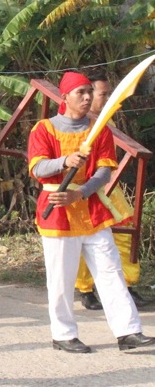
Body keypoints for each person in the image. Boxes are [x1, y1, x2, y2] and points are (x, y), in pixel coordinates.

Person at [27, 71, 153, 354]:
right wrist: (65, 161)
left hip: (91, 208)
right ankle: (63, 334)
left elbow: (104, 172)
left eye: (88, 92)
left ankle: (128, 331)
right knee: (61, 278)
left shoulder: (100, 129)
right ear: (65, 97)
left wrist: (80, 192)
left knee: (111, 272)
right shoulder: (44, 129)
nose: (86, 97)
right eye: (80, 92)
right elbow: (37, 168)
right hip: (57, 208)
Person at [74, 72, 148, 310]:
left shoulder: (108, 120)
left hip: (107, 185)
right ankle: (84, 289)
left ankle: (125, 285)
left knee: (126, 228)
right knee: (81, 234)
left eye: (108, 94)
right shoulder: (76, 122)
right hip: (84, 187)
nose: (105, 99)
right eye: (102, 94)